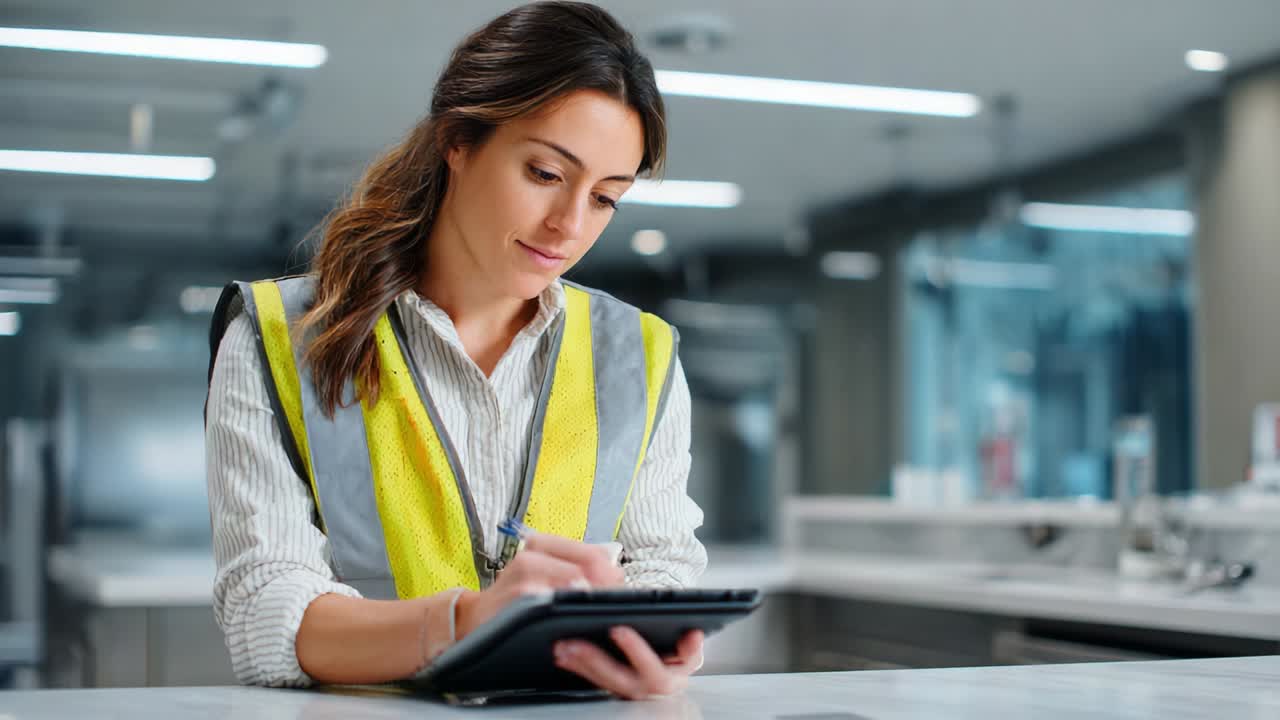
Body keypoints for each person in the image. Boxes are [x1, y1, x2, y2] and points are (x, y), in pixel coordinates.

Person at [204, 1, 707, 701]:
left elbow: (663, 568)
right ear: (459, 140)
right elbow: (265, 612)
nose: (569, 225)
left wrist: (655, 636)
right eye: (544, 173)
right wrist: (466, 622)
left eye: (605, 198)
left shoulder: (640, 354)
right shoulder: (277, 335)